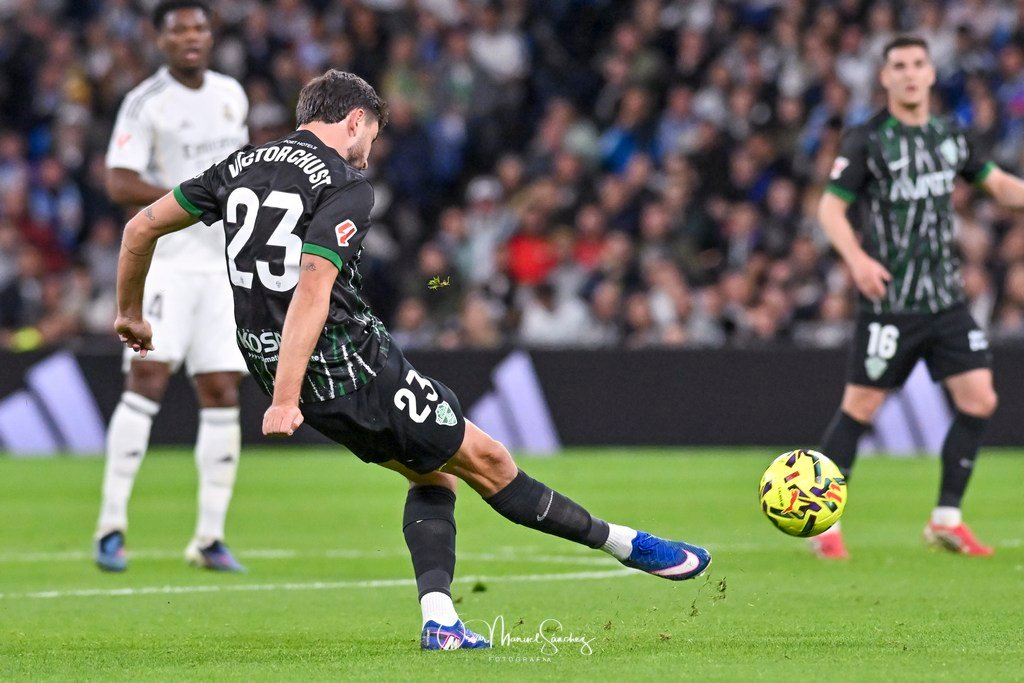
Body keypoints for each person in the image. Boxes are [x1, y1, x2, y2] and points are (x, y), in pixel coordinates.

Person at [113, 69, 711, 651]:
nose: (369, 152)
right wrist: (286, 399)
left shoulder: (240, 164)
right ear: (354, 121)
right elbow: (314, 283)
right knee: (490, 462)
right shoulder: (343, 183)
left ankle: (440, 619)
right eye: (371, 136)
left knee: (432, 473)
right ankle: (626, 545)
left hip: (274, 361)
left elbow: (140, 228)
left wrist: (130, 314)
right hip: (344, 363)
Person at [814, 36, 1024, 559]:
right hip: (890, 301)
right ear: (885, 77)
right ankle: (823, 525)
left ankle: (946, 520)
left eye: (918, 65)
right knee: (860, 408)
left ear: (931, 74)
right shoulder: (867, 139)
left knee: (980, 399)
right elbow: (830, 209)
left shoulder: (949, 136)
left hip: (945, 299)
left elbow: (998, 185)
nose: (910, 74)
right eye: (900, 66)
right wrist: (858, 260)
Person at [95, 1, 250, 573]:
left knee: (222, 388)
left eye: (199, 28)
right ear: (159, 39)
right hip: (166, 262)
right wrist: (191, 199)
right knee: (148, 377)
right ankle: (111, 527)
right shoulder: (146, 102)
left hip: (221, 267)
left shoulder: (232, 93)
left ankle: (209, 538)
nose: (190, 37)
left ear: (211, 36)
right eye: (178, 29)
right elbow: (118, 181)